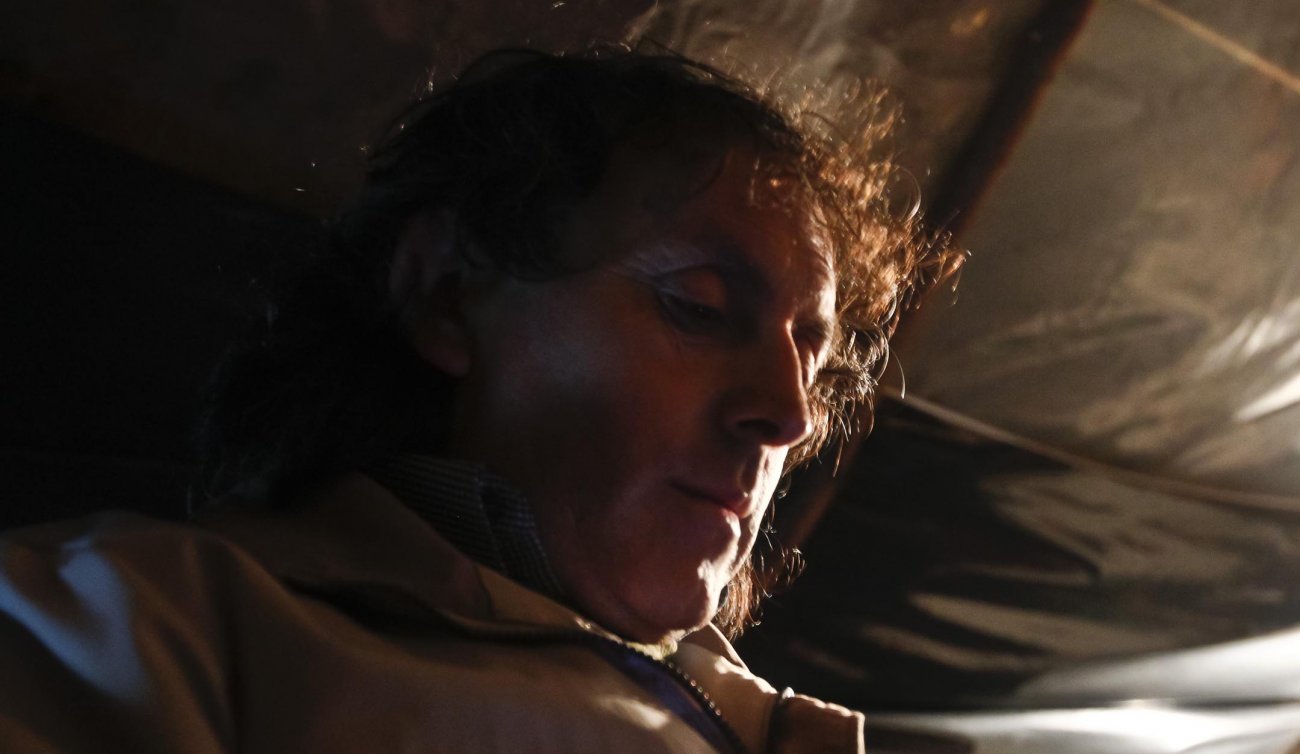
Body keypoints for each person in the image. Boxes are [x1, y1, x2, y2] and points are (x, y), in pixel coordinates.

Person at [0, 48, 953, 753]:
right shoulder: (125, 631)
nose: (789, 415)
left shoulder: (760, 723)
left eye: (812, 357)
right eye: (697, 308)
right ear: (448, 296)